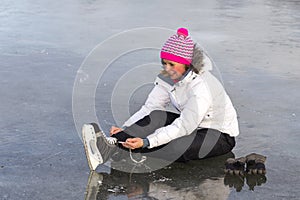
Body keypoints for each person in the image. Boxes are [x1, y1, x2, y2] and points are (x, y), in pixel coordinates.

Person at [82, 27, 239, 171]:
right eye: (164, 63)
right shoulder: (168, 78)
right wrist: (126, 129)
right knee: (157, 115)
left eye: (171, 64)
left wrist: (146, 142)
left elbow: (184, 125)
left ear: (187, 64)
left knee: (177, 147)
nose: (167, 69)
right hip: (194, 126)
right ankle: (111, 145)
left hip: (218, 135)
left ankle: (126, 150)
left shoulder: (202, 87)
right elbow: (150, 108)